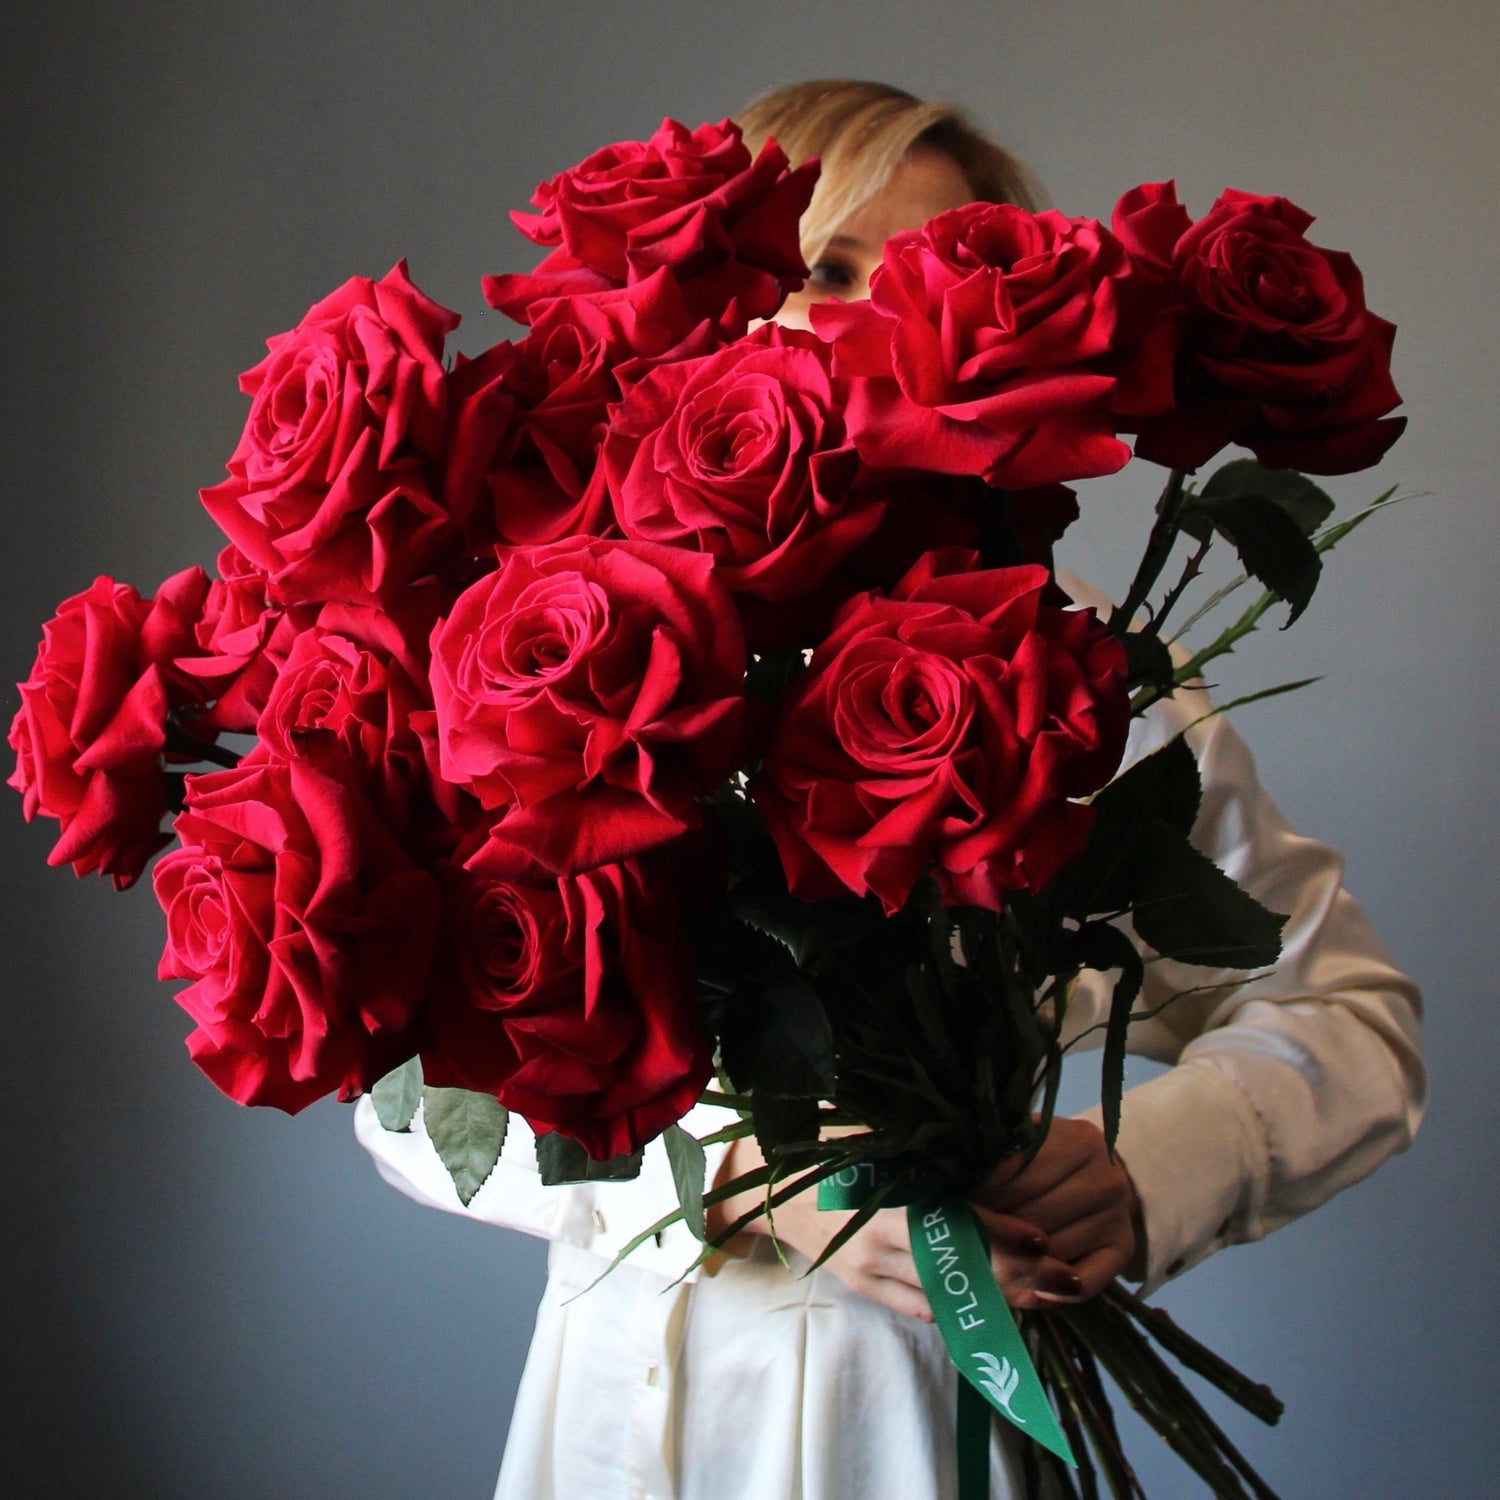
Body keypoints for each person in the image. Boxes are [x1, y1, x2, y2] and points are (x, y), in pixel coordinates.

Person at [354, 79, 1424, 1500]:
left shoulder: (1094, 668)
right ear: (711, 302)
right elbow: (403, 1103)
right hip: (610, 1424)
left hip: (922, 1423)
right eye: (828, 270)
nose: (866, 319)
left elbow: (1353, 1015)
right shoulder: (558, 662)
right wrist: (733, 1186)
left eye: (925, 279)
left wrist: (1149, 1164)